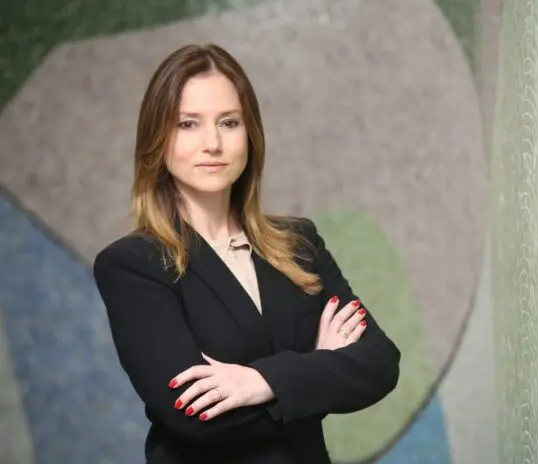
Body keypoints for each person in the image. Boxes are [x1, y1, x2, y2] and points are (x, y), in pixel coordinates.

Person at [92, 43, 401, 463]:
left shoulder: (298, 243)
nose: (212, 143)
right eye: (188, 124)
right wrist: (320, 367)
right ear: (157, 140)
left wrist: (261, 381)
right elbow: (197, 418)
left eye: (229, 122)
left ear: (250, 134)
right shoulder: (133, 265)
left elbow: (380, 364)